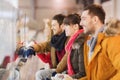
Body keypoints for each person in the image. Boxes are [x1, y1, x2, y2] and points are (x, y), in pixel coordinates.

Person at [80, 4, 120, 80]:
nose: (80, 23)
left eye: (84, 19)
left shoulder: (112, 40)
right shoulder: (89, 44)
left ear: (95, 20)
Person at [34, 14, 69, 80]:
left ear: (62, 26)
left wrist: (56, 72)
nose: (51, 28)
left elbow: (65, 59)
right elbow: (44, 46)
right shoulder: (54, 40)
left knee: (40, 74)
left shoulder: (68, 40)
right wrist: (33, 47)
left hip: (66, 71)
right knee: (40, 73)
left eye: (54, 25)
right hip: (57, 70)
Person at [51, 14, 86, 80]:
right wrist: (62, 75)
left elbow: (82, 73)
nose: (64, 28)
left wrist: (67, 77)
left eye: (66, 25)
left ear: (75, 26)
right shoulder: (71, 43)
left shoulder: (80, 43)